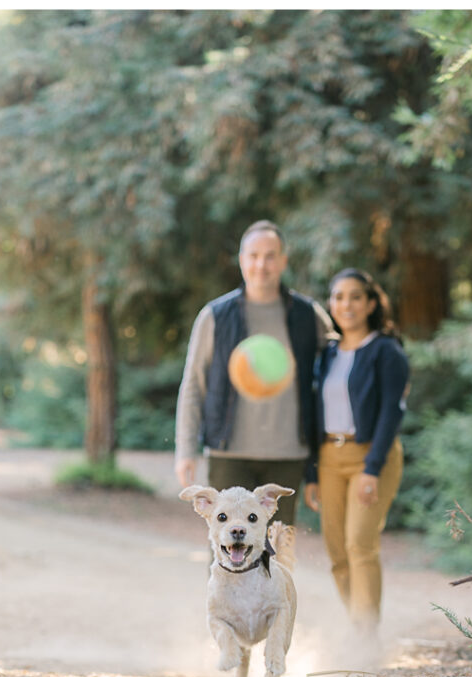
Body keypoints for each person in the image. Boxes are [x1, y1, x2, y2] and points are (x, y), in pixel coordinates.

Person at [174, 220, 332, 526]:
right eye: (254, 255)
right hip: (228, 453)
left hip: (288, 454)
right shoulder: (215, 316)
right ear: (241, 259)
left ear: (283, 261)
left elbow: (341, 365)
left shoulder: (308, 315)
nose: (262, 264)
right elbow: (193, 385)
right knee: (227, 555)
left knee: (278, 554)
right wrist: (185, 449)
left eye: (271, 255)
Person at [305, 268, 409, 631]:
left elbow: (391, 412)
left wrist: (373, 468)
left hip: (370, 455)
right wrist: (312, 473)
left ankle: (366, 637)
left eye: (354, 297)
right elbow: (314, 413)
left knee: (359, 545)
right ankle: (356, 627)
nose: (345, 304)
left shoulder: (386, 350)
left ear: (369, 304)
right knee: (337, 552)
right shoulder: (327, 353)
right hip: (330, 458)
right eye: (338, 297)